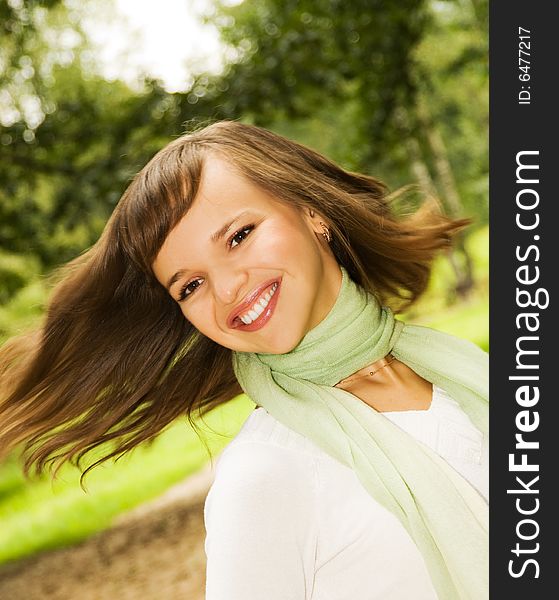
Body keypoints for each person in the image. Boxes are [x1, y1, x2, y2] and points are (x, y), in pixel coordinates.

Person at [0, 120, 488, 599]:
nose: (228, 288)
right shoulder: (264, 476)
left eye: (238, 236)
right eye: (190, 285)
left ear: (313, 212)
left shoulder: (460, 370)